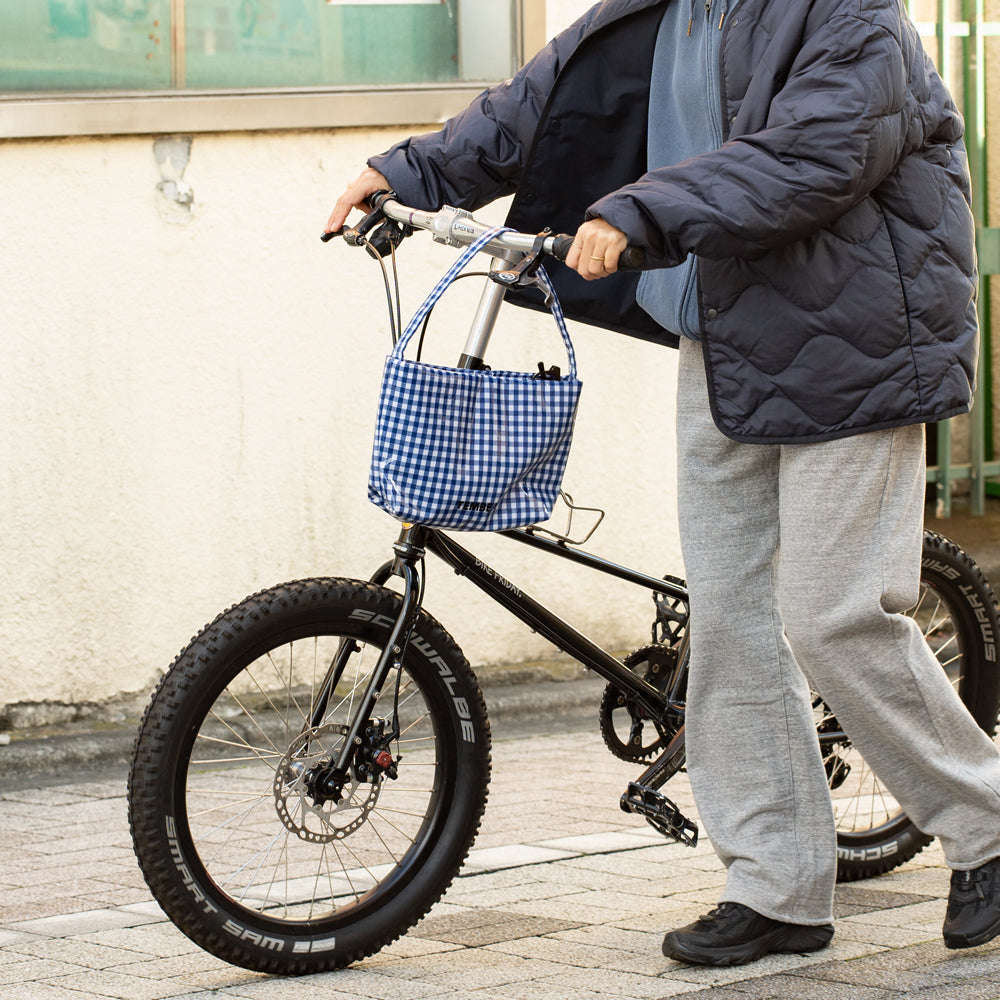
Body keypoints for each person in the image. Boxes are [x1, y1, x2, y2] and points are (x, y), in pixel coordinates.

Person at [326, 0, 1000, 968]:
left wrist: (640, 211)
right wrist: (403, 171)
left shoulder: (852, 13)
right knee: (726, 614)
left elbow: (812, 155)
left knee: (832, 611)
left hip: (858, 340)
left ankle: (983, 826)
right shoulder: (657, 7)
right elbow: (535, 103)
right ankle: (776, 885)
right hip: (724, 331)